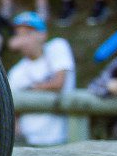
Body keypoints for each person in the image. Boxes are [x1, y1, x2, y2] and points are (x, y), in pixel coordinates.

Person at [6, 11, 75, 146]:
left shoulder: (57, 47)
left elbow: (59, 83)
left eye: (29, 33)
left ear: (42, 35)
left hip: (62, 140)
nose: (24, 39)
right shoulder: (16, 72)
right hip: (28, 143)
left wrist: (30, 89)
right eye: (20, 34)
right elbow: (12, 111)